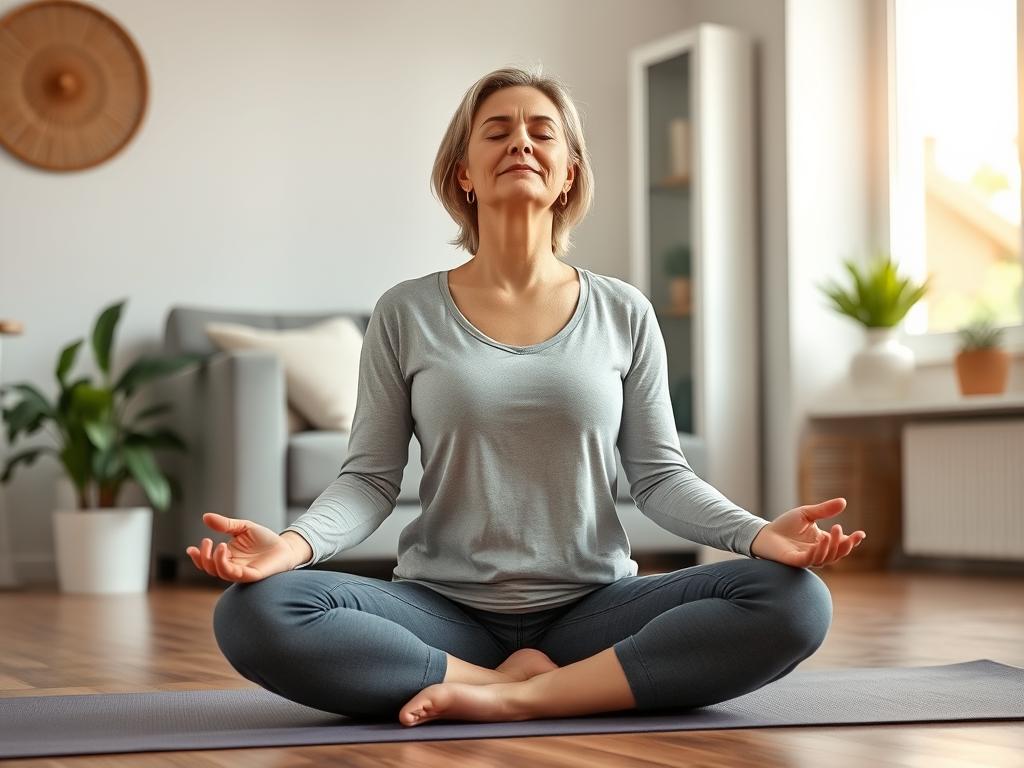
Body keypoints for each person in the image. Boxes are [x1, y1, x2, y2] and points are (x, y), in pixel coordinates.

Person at [187, 65, 866, 727]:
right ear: (463, 172)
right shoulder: (406, 311)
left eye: (542, 131)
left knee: (795, 601)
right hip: (442, 611)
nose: (521, 142)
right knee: (254, 611)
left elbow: (659, 478)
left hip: (594, 610)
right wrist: (295, 547)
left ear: (569, 171)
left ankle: (519, 698)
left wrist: (756, 535)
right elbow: (369, 479)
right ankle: (503, 683)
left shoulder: (623, 311)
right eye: (497, 130)